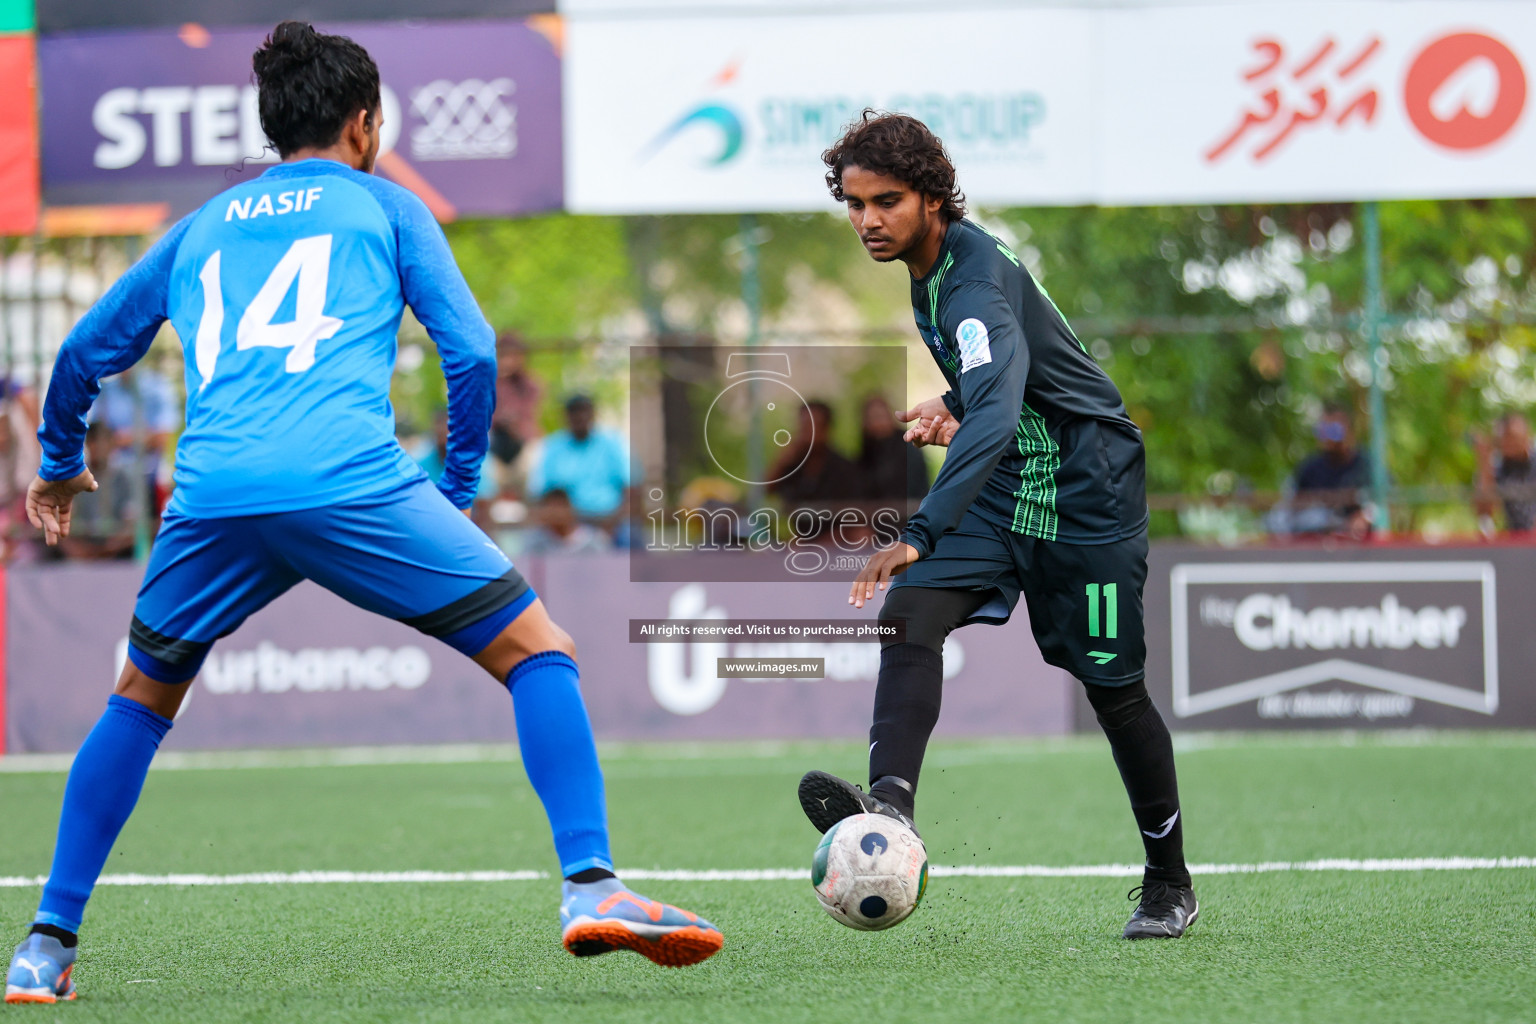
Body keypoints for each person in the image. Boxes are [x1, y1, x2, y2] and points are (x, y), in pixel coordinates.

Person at [5, 22, 720, 1005]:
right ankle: (592, 884)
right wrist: (458, 484)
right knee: (538, 650)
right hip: (351, 483)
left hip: (214, 498)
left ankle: (45, 944)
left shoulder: (202, 226)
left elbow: (83, 351)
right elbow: (468, 353)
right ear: (364, 122)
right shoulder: (386, 205)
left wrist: (54, 464)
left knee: (139, 697)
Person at [795, 111, 1197, 940]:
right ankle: (892, 811)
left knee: (1114, 692)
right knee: (912, 613)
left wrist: (922, 528)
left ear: (934, 198)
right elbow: (1008, 377)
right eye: (855, 202)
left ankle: (1169, 880)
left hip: (1086, 494)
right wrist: (954, 400)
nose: (868, 219)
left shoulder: (969, 282)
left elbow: (1001, 413)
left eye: (888, 200)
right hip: (1014, 482)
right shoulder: (934, 266)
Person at [1267, 405, 1373, 538]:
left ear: (1350, 432)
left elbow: (1386, 501)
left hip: (1359, 546)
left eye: (1334, 431)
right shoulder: (1309, 468)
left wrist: (1364, 517)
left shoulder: (1367, 466)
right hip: (1314, 546)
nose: (1328, 437)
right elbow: (1289, 504)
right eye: (1322, 430)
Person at [528, 394, 631, 530]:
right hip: (566, 524)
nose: (580, 417)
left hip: (610, 519)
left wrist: (615, 520)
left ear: (593, 414)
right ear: (566, 416)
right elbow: (542, 493)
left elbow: (631, 489)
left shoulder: (612, 445)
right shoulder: (553, 447)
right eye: (574, 412)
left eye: (584, 411)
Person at [53, 422, 137, 561]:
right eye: (94, 441)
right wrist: (78, 549)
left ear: (112, 444)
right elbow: (61, 522)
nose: (99, 447)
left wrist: (111, 547)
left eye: (104, 441)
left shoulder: (125, 479)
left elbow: (132, 522)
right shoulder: (73, 479)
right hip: (81, 553)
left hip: (118, 552)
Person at [857, 394, 930, 508]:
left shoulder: (908, 447)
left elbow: (916, 485)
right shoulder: (867, 451)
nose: (876, 423)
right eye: (871, 418)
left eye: (880, 416)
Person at [1473, 412, 1536, 534]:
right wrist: (1484, 463)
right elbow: (1485, 513)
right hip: (1515, 540)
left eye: (1512, 436)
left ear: (1526, 435)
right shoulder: (1497, 467)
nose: (1507, 442)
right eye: (1502, 438)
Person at [489, 331, 542, 466]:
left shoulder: (530, 385)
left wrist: (515, 426)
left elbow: (529, 417)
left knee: (536, 455)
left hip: (524, 444)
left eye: (513, 354)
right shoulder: (491, 384)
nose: (508, 360)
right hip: (496, 445)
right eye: (504, 354)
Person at [520, 489, 611, 555]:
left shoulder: (594, 540)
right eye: (551, 507)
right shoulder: (535, 541)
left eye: (560, 506)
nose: (556, 513)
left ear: (570, 508)